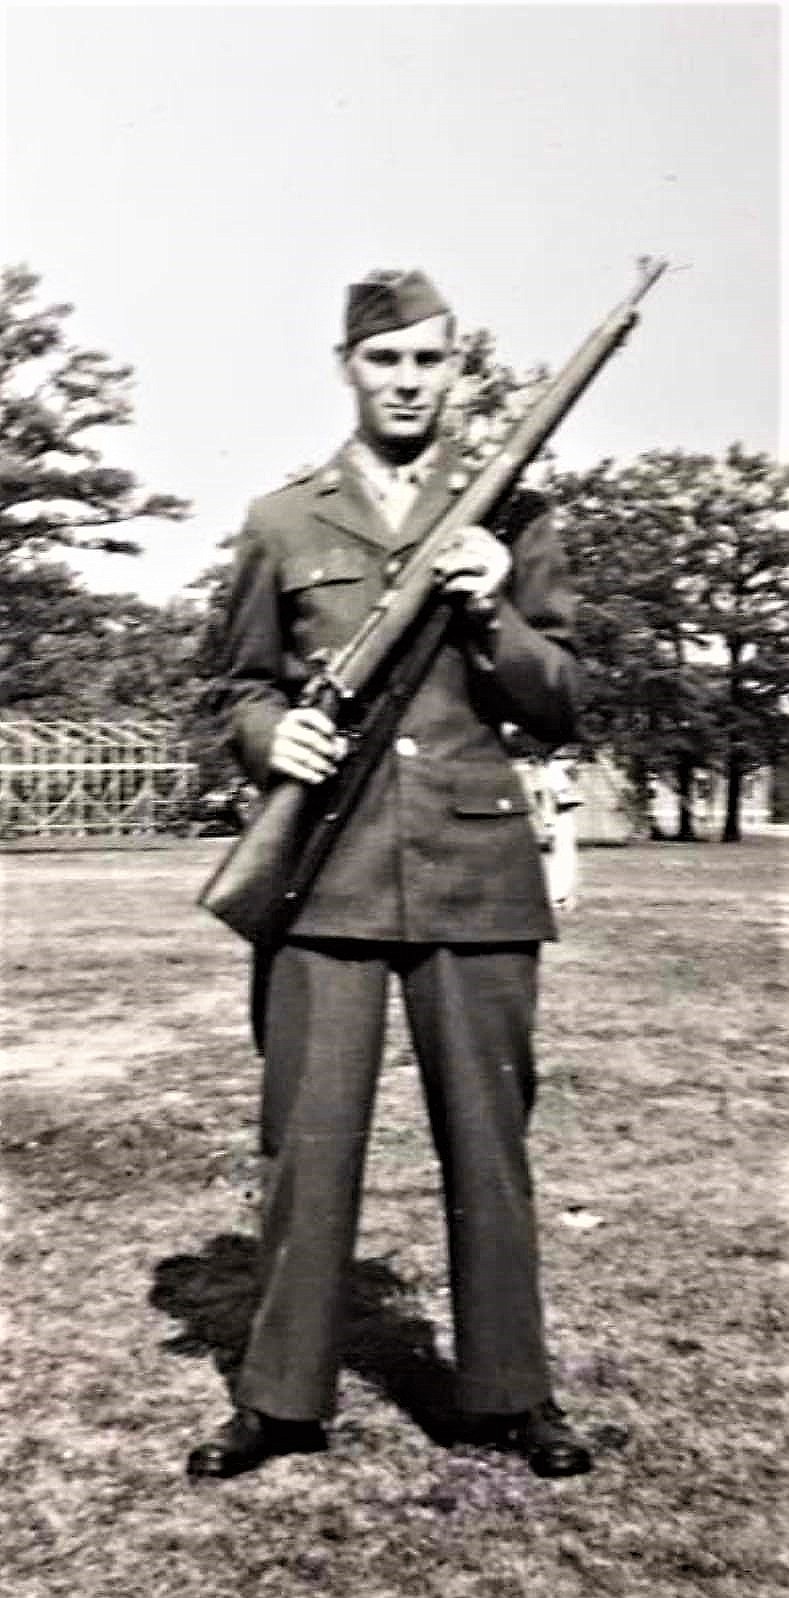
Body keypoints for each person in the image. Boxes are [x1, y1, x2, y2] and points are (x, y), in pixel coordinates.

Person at [187, 269, 592, 1481]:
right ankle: (281, 1398)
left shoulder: (515, 515)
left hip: (475, 869)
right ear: (348, 368)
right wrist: (273, 739)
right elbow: (237, 686)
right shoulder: (284, 518)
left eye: (430, 361)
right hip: (326, 872)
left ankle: (512, 1392)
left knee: (491, 1148)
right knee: (307, 1145)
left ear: (457, 369)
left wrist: (490, 613)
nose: (409, 382)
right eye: (386, 361)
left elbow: (561, 697)